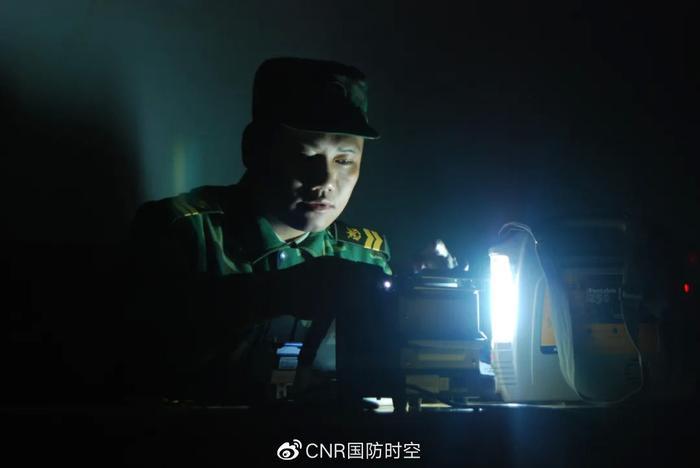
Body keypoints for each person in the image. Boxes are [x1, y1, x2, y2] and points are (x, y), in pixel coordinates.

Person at [125, 57, 395, 404]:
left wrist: (430, 299)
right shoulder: (185, 232)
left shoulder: (363, 254)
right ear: (254, 149)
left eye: (344, 161)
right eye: (304, 155)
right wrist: (275, 293)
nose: (325, 180)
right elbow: (141, 358)